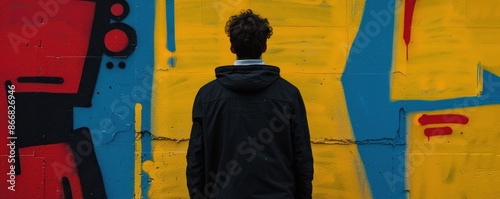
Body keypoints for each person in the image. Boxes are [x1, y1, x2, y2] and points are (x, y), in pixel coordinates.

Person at [186, 9, 313, 199]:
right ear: (265, 46)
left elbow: (195, 159)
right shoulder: (288, 94)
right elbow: (302, 159)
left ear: (232, 47)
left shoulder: (207, 95)